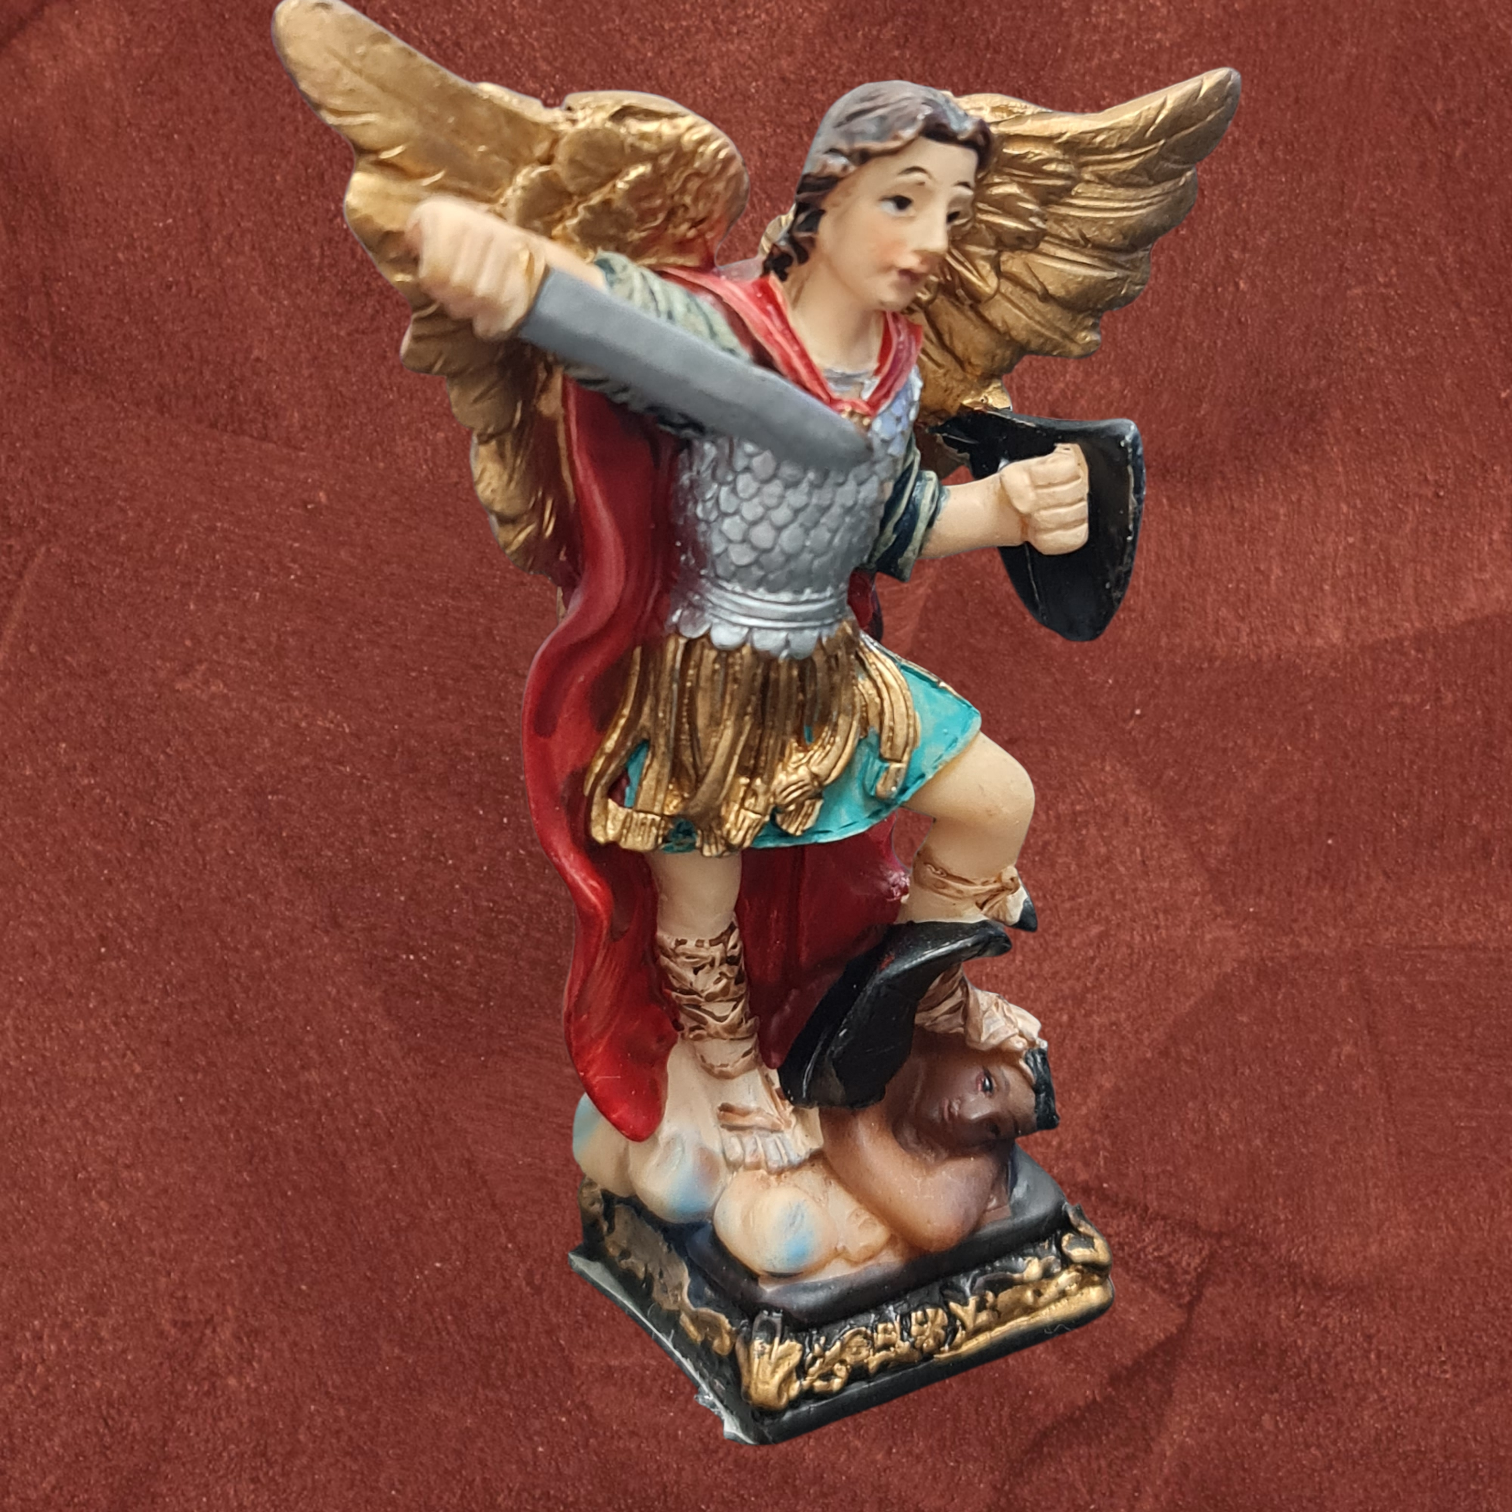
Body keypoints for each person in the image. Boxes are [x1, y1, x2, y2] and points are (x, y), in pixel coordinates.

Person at [403, 83, 1089, 1168]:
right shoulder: (725, 338)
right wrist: (517, 272)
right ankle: (724, 1065)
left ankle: (914, 996)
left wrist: (1005, 509)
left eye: (953, 214)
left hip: (832, 669)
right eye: (903, 201)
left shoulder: (894, 359)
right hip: (710, 687)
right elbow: (620, 317)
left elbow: (889, 520)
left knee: (997, 801)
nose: (931, 240)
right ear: (828, 197)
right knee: (702, 897)